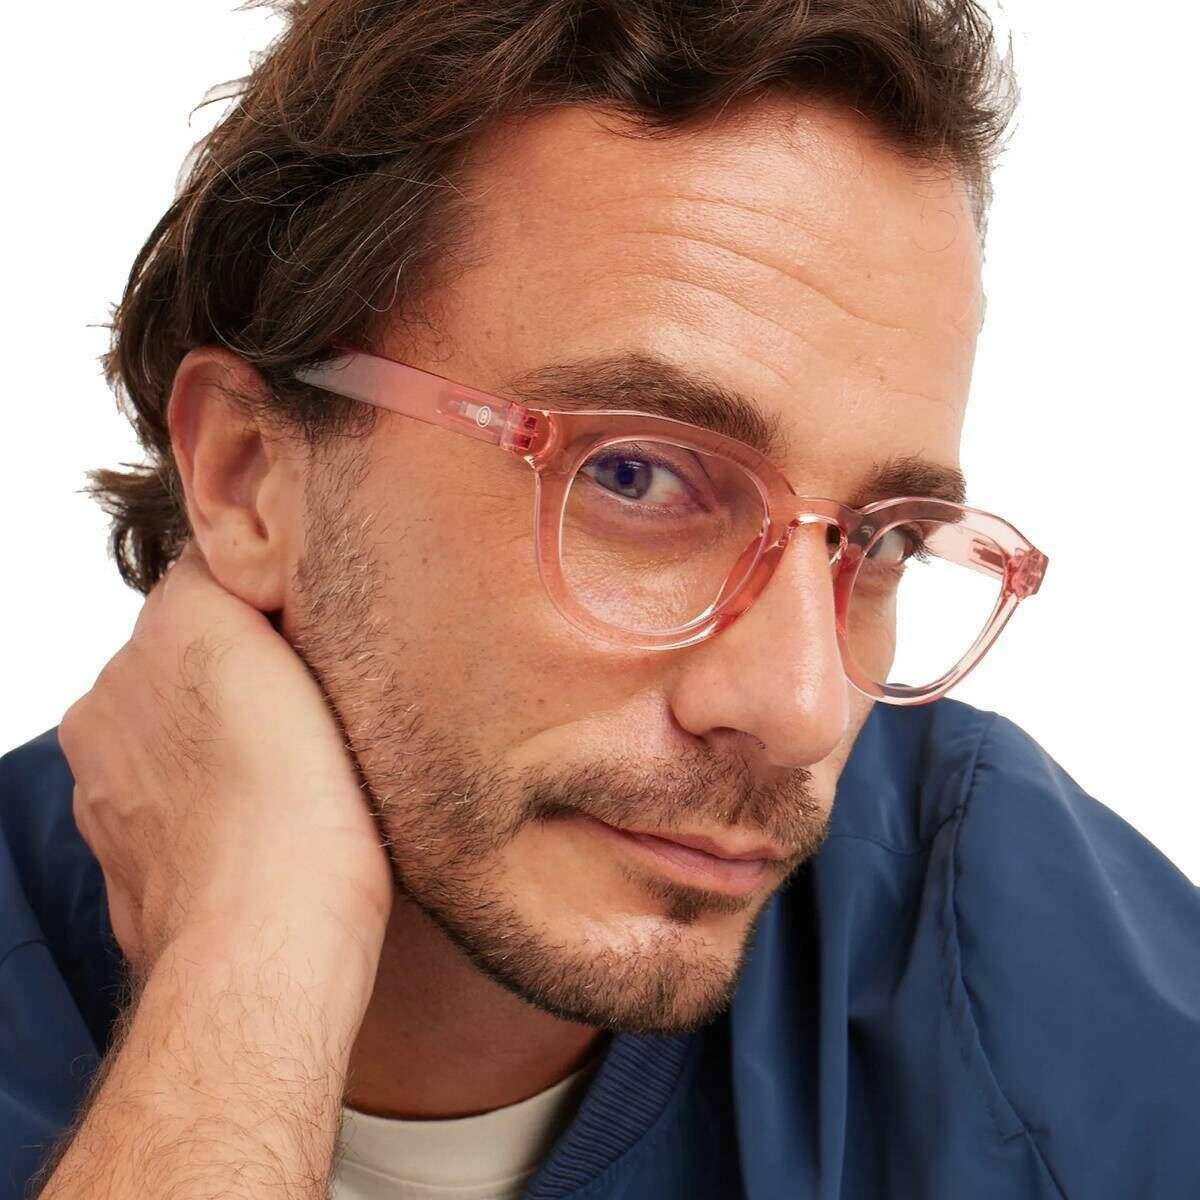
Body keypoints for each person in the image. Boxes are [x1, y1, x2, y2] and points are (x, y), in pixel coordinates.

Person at [2, 1, 1197, 1197]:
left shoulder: (994, 914)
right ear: (248, 475)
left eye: (884, 543)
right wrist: (245, 968)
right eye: (638, 476)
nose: (803, 710)